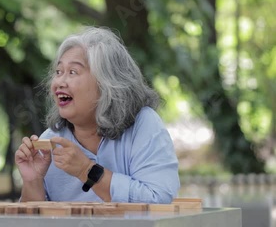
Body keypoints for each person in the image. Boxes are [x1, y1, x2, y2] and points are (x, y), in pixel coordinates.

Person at [15, 26, 180, 203]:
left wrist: (87, 171)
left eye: (73, 72)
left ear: (107, 83)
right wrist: (33, 180)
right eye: (58, 72)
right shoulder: (49, 142)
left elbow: (159, 200)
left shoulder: (143, 124)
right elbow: (34, 221)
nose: (59, 83)